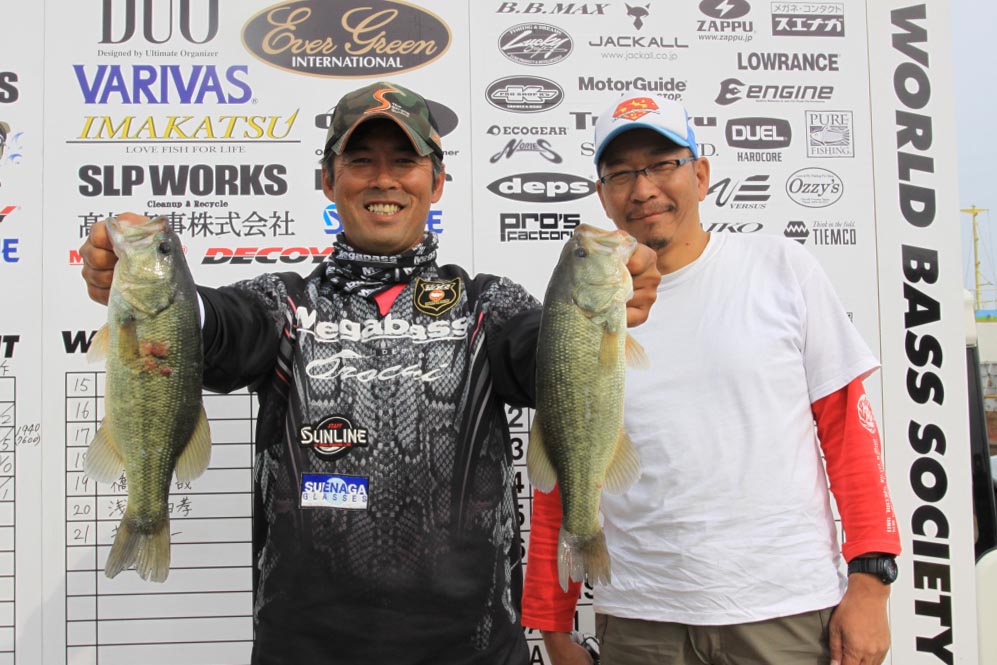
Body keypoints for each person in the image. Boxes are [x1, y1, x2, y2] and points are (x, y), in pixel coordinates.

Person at [79, 81, 659, 665]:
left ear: (436, 182)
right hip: (303, 652)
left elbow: (550, 356)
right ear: (328, 181)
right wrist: (155, 291)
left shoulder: (487, 304)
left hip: (473, 651)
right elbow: (217, 326)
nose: (384, 180)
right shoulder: (282, 302)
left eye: (405, 161)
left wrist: (600, 308)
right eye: (360, 161)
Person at [522, 93, 902, 665]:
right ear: (603, 194)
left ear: (700, 176)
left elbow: (848, 433)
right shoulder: (575, 312)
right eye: (621, 173)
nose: (642, 189)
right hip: (640, 617)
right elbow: (565, 465)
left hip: (786, 608)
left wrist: (870, 581)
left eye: (661, 165)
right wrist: (551, 624)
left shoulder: (782, 268)